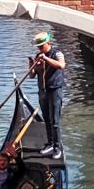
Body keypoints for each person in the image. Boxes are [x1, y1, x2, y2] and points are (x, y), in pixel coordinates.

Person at [29, 31, 66, 159]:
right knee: (47, 119)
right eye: (38, 47)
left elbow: (61, 65)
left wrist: (46, 59)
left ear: (48, 43)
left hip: (55, 90)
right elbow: (32, 75)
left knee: (55, 121)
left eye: (41, 46)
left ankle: (57, 147)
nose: (39, 49)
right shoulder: (38, 55)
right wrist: (32, 66)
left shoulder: (57, 54)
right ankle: (50, 143)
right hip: (43, 91)